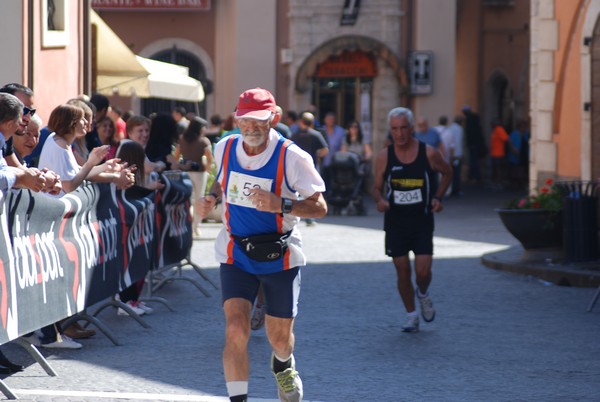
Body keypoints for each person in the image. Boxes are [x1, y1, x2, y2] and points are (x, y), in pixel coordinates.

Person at [197, 87, 327, 402]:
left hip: (279, 254)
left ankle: (283, 365)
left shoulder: (292, 156)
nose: (251, 128)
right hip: (236, 251)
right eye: (245, 121)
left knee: (279, 339)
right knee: (236, 330)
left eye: (259, 121)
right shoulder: (225, 147)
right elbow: (223, 176)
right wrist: (212, 197)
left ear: (274, 118)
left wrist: (280, 204)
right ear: (236, 120)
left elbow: (320, 207)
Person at [371, 107, 452, 333]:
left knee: (423, 272)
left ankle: (423, 293)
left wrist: (438, 197)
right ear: (391, 130)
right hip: (396, 221)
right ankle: (411, 315)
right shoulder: (384, 156)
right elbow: (376, 188)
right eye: (395, 129)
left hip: (422, 220)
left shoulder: (429, 153)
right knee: (403, 269)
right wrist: (379, 200)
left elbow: (448, 172)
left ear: (412, 128)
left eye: (404, 128)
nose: (400, 133)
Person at [176, 116, 214, 236]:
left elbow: (176, 155)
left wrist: (179, 167)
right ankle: (195, 226)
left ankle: (187, 223)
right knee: (199, 198)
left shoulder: (181, 139)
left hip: (185, 171)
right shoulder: (204, 141)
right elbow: (209, 158)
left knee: (187, 199)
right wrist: (208, 169)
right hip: (200, 172)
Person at [319, 112, 346, 189]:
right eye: (329, 119)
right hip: (323, 162)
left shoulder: (341, 131)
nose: (331, 121)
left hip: (336, 162)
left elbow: (344, 145)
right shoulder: (321, 131)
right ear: (325, 120)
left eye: (332, 119)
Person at [462, 105, 486, 183]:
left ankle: (474, 177)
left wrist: (470, 143)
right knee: (475, 161)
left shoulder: (469, 119)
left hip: (473, 144)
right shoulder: (475, 118)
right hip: (477, 143)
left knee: (473, 161)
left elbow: (470, 133)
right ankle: (475, 176)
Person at [489, 119, 512, 188]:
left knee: (498, 168)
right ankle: (495, 182)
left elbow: (506, 138)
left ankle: (499, 182)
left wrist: (512, 148)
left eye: (492, 124)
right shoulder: (495, 130)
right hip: (495, 152)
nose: (491, 125)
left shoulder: (499, 129)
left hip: (498, 153)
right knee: (495, 168)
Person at [508, 119, 529, 189]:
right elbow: (510, 141)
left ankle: (521, 182)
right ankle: (514, 182)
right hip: (515, 153)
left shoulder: (526, 134)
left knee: (522, 168)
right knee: (515, 168)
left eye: (524, 127)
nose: (523, 128)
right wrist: (513, 149)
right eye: (522, 127)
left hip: (524, 154)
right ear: (519, 127)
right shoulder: (514, 134)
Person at [447, 115, 465, 197]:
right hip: (458, 154)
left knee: (451, 173)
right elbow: (460, 142)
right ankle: (456, 190)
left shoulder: (450, 128)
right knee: (457, 173)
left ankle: (450, 189)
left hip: (451, 154)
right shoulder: (461, 129)